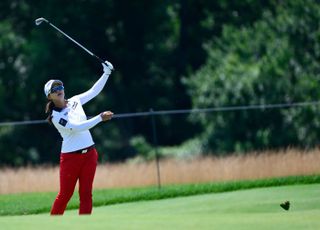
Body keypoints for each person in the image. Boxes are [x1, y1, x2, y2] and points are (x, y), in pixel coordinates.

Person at [44, 61, 114, 215]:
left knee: (86, 194)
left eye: (60, 87)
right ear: (49, 96)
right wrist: (100, 118)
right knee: (65, 195)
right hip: (70, 159)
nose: (59, 90)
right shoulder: (56, 117)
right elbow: (77, 127)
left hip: (90, 154)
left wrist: (106, 73)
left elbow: (94, 91)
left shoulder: (75, 100)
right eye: (54, 89)